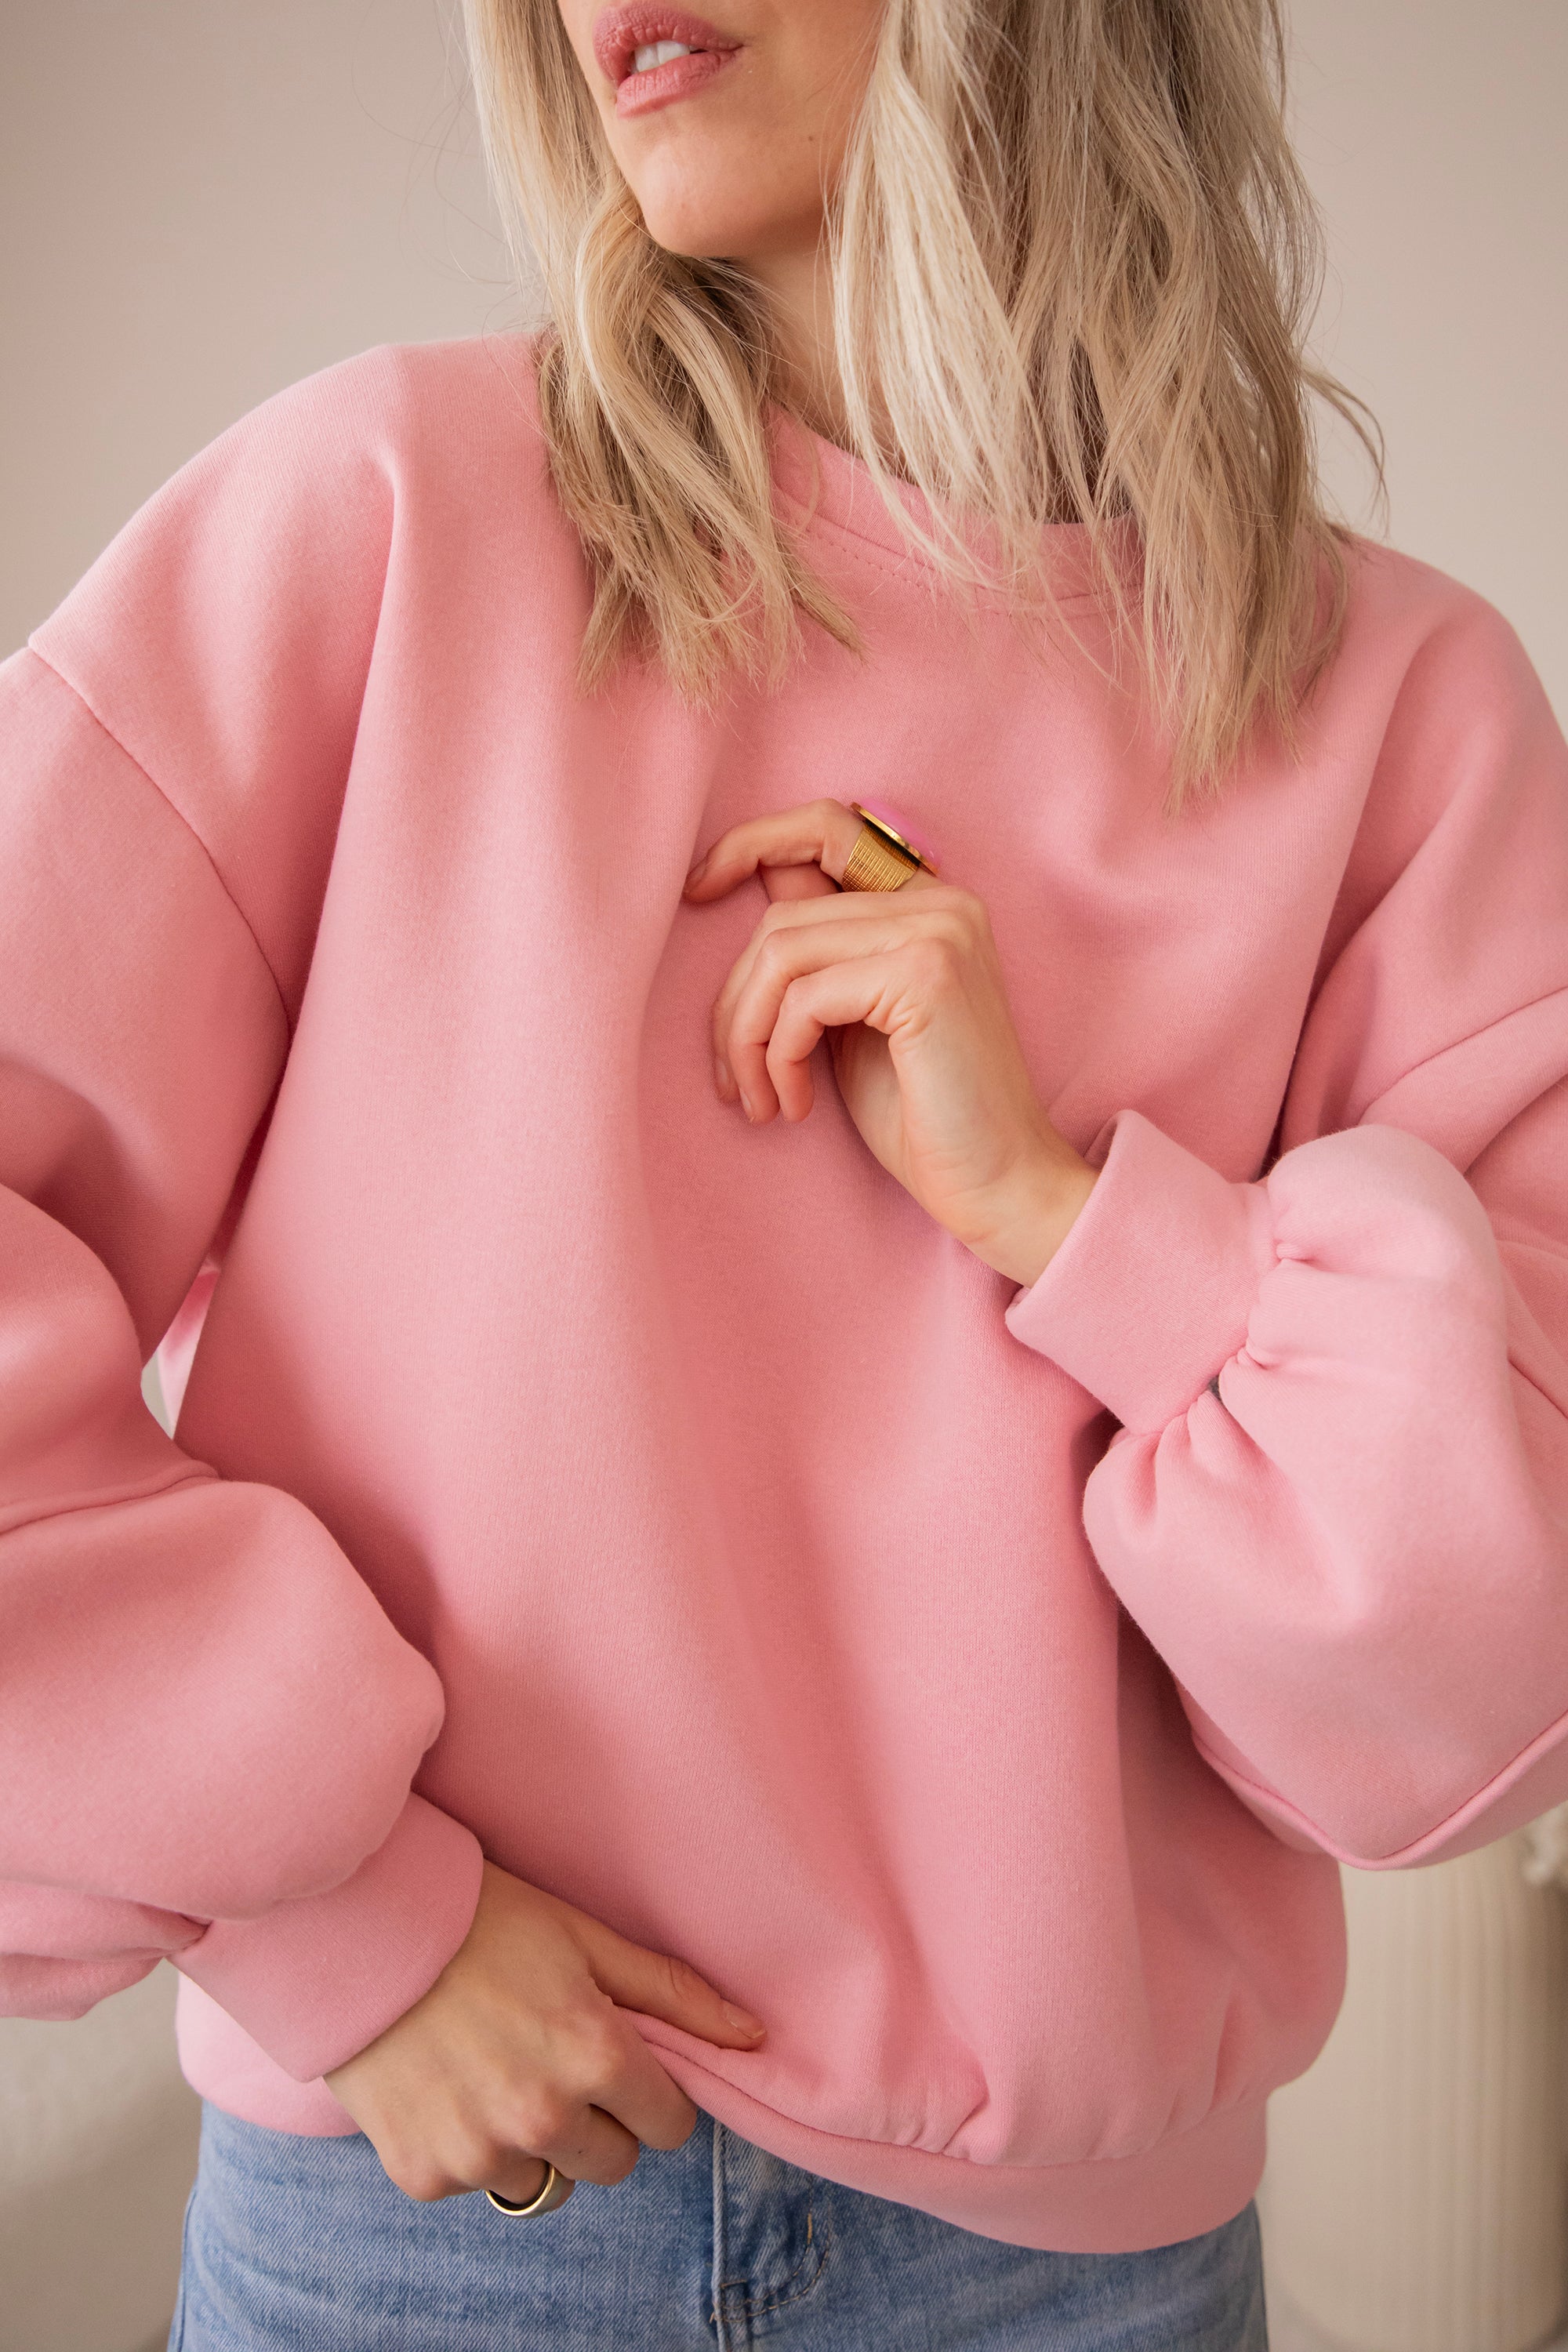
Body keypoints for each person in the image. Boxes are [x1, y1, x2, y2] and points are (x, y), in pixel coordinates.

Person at [3, 1, 1566, 2344]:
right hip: (427, 2236)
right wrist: (338, 1925)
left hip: (1077, 2285)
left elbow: (1478, 1684)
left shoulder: (1403, 719)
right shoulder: (379, 525)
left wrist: (1072, 1218)